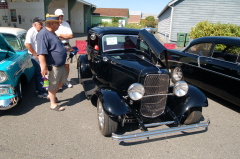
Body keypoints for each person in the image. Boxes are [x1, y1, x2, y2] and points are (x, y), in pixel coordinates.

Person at [36, 14, 67, 111]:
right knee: (52, 84)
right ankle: (53, 104)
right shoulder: (43, 34)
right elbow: (41, 53)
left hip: (59, 65)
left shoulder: (52, 33)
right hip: (52, 66)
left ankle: (51, 94)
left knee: (62, 82)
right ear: (52, 23)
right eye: (58, 23)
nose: (59, 25)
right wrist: (43, 67)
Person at [25, 17, 48, 98]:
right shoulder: (31, 31)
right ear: (35, 24)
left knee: (42, 73)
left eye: (42, 24)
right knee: (42, 73)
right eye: (40, 24)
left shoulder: (40, 31)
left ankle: (41, 89)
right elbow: (27, 44)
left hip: (40, 55)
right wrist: (36, 54)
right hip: (36, 56)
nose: (42, 26)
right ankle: (42, 92)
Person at [54, 9, 73, 89]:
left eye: (61, 16)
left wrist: (60, 35)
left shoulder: (66, 24)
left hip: (66, 45)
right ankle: (58, 82)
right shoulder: (53, 24)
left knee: (66, 65)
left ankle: (65, 80)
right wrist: (63, 36)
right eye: (59, 16)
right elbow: (53, 36)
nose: (60, 17)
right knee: (57, 65)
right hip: (56, 46)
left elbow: (70, 36)